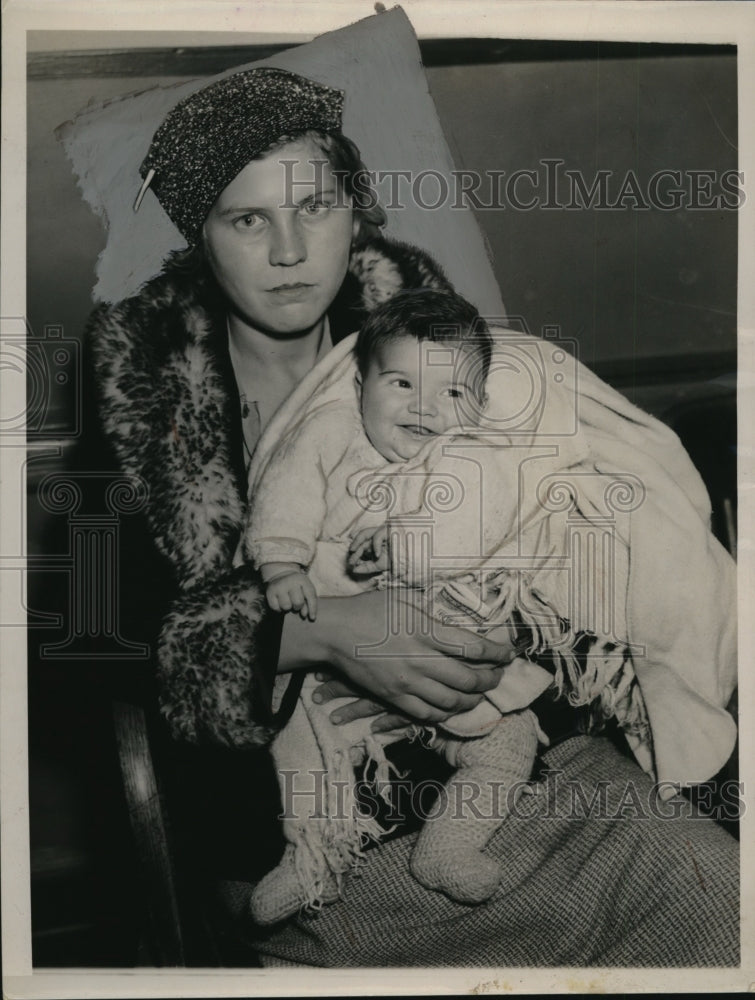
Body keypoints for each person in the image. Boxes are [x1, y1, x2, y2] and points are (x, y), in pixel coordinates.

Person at [87, 65, 739, 967]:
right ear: (200, 236)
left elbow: (571, 505)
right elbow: (98, 625)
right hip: (323, 845)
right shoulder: (146, 389)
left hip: (535, 790)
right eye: (248, 219)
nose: (288, 251)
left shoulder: (439, 341)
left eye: (315, 208)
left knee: (724, 912)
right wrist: (317, 635)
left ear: (357, 214)